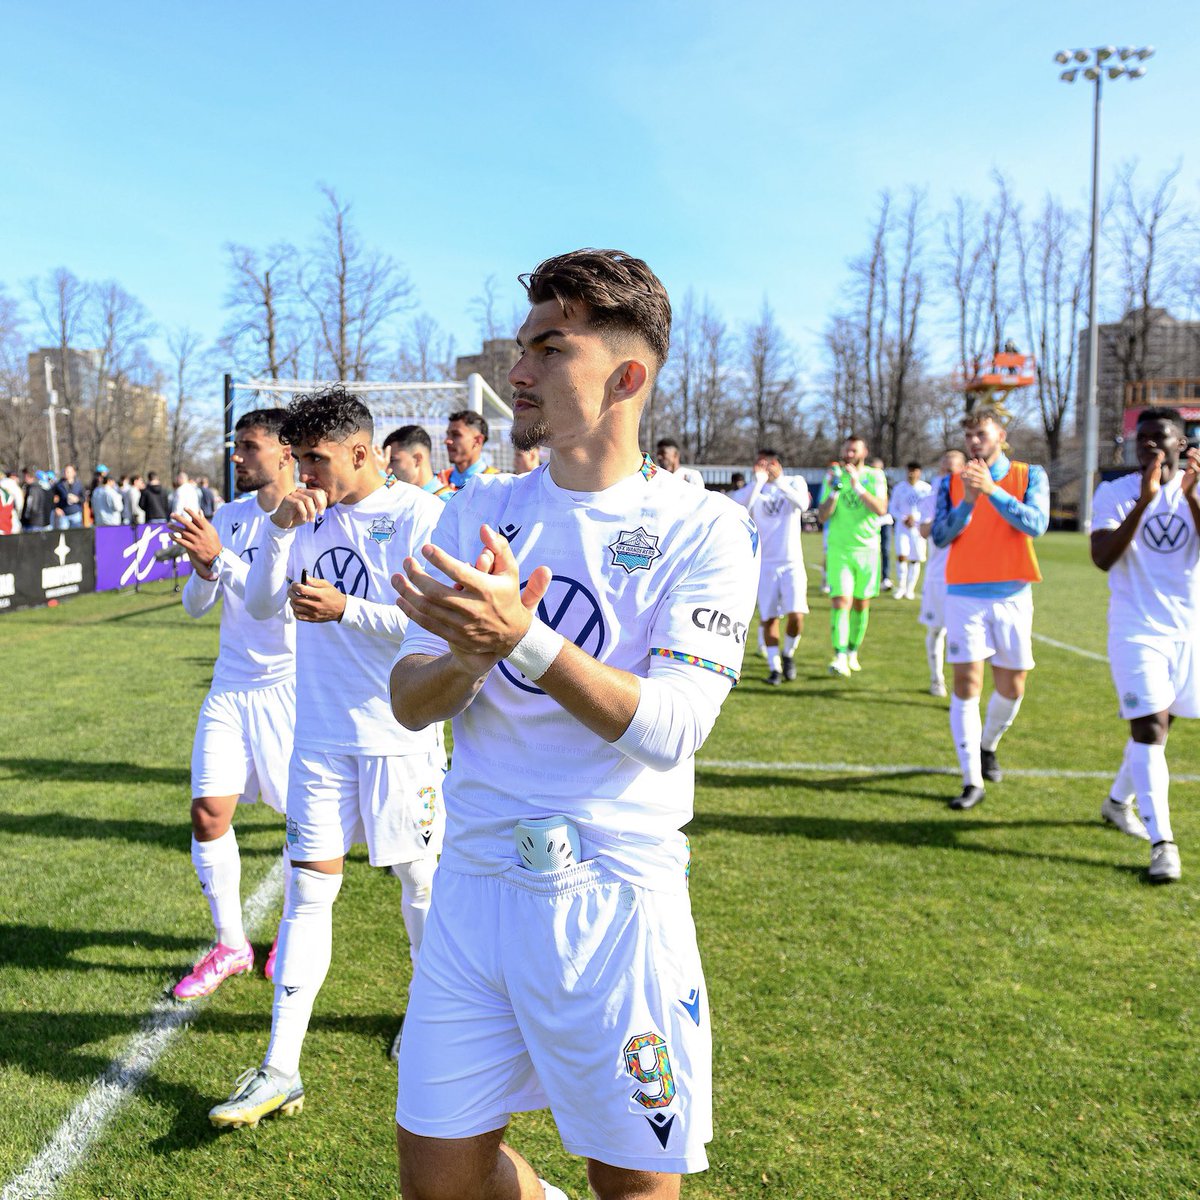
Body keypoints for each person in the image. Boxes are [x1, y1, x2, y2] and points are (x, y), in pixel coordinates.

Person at [390, 249, 758, 1200]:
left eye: (549, 349)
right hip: (472, 886)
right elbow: (405, 697)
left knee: (633, 1187)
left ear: (627, 377)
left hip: (612, 901)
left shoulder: (701, 529)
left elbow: (672, 727)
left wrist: (525, 640)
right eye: (521, 349)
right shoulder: (480, 509)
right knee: (437, 1181)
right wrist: (468, 661)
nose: (517, 373)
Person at [209, 385, 446, 1129]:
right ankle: (281, 1067)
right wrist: (279, 531)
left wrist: (349, 610)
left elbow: (432, 624)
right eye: (300, 459)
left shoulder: (418, 514)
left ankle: (429, 1013)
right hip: (318, 736)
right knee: (310, 895)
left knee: (420, 881)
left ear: (361, 452)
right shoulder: (303, 516)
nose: (306, 474)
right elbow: (256, 605)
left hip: (397, 738)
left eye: (318, 460)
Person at [168, 410, 298, 1001]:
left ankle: (295, 938)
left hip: (291, 691)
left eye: (249, 447)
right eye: (235, 446)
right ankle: (231, 944)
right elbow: (198, 606)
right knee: (207, 813)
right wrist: (203, 567)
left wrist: (221, 559)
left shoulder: (309, 517)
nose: (238, 457)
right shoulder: (229, 515)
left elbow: (284, 606)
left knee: (305, 828)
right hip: (229, 688)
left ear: (285, 453)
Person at [1090, 408, 1200, 881]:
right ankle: (1164, 846)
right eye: (1143, 439)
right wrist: (1143, 501)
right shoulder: (1114, 492)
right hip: (1136, 628)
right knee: (1150, 728)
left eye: (1161, 438)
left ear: (1182, 443)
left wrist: (1191, 497)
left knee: (1162, 724)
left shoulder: (1197, 489)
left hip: (1188, 630)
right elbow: (1102, 557)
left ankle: (1117, 803)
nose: (1150, 446)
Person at [932, 405, 1049, 810]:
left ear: (1001, 434)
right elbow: (942, 536)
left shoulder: (1029, 475)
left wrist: (993, 492)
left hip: (1014, 595)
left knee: (1013, 687)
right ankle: (971, 780)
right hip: (964, 595)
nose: (973, 442)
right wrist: (967, 501)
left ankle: (987, 745)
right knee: (967, 684)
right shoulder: (949, 483)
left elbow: (1035, 524)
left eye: (981, 433)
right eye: (968, 436)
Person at [732, 449, 810, 684]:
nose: (767, 467)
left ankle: (788, 654)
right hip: (764, 564)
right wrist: (758, 484)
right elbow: (741, 510)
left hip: (791, 561)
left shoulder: (794, 482)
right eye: (762, 463)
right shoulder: (753, 488)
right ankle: (774, 668)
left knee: (796, 615)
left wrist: (780, 482)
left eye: (771, 463)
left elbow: (803, 504)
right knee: (769, 618)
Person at [818, 437, 888, 677]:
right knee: (841, 601)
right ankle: (838, 656)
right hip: (840, 549)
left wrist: (857, 485)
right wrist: (835, 491)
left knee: (861, 603)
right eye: (846, 448)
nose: (849, 453)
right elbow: (822, 516)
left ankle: (852, 651)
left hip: (867, 550)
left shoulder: (875, 476)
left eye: (854, 449)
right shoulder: (834, 476)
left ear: (864, 452)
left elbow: (880, 508)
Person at [917, 451, 966, 697]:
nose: (948, 474)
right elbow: (923, 530)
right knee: (936, 630)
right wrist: (943, 520)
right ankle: (937, 679)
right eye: (944, 469)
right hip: (938, 574)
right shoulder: (932, 496)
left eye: (953, 469)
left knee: (963, 633)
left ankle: (963, 687)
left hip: (967, 575)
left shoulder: (974, 496)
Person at [889, 462, 932, 600]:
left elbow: (930, 508)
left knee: (916, 558)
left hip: (919, 528)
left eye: (915, 471)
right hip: (902, 527)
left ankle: (910, 589)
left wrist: (917, 518)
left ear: (919, 472)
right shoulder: (899, 488)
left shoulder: (926, 488)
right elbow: (893, 508)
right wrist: (903, 518)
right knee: (902, 555)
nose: (912, 474)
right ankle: (901, 587)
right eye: (910, 470)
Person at [438, 410, 502, 492]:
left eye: (456, 435)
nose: (447, 440)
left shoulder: (497, 482)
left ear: (478, 441)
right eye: (448, 434)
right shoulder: (439, 480)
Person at [383, 425, 453, 499]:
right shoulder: (399, 498)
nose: (388, 469)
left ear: (417, 459)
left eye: (392, 460)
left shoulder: (448, 503)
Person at [52, 464, 85, 529]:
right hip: (63, 516)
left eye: (68, 471)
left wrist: (77, 499)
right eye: (65, 471)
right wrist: (55, 508)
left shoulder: (79, 484)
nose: (66, 473)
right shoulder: (59, 485)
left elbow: (84, 498)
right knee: (64, 536)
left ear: (74, 473)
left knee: (76, 535)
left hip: (76, 515)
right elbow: (51, 498)